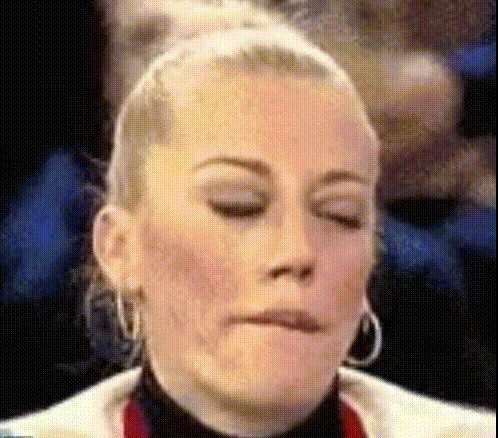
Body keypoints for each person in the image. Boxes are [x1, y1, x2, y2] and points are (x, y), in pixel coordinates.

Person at [0, 2, 495, 438]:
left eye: (339, 214)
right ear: (118, 247)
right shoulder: (34, 281)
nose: (295, 251)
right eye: (237, 206)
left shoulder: (425, 292)